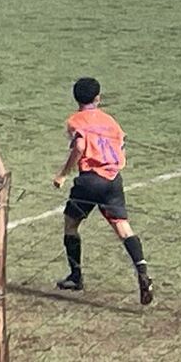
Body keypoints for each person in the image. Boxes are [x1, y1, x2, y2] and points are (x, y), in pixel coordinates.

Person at [53, 77, 154, 305]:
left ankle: (76, 276)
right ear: (98, 98)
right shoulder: (110, 121)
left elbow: (79, 146)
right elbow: (122, 143)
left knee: (71, 224)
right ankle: (142, 269)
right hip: (113, 180)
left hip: (89, 181)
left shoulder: (75, 120)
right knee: (123, 227)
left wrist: (62, 174)